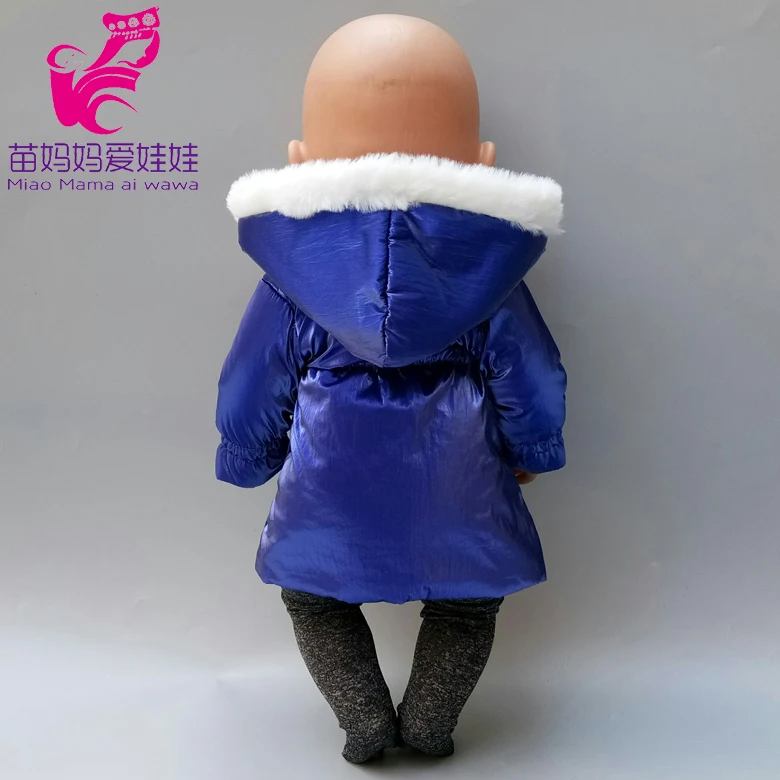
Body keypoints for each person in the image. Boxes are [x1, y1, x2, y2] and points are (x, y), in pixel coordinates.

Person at [216, 14, 567, 764]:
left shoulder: (290, 279)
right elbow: (532, 373)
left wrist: (250, 456)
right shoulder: (491, 278)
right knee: (467, 606)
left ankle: (365, 721)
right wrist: (531, 449)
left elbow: (252, 378)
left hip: (327, 488)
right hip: (461, 482)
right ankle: (431, 725)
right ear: (480, 160)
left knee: (313, 600)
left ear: (301, 158)